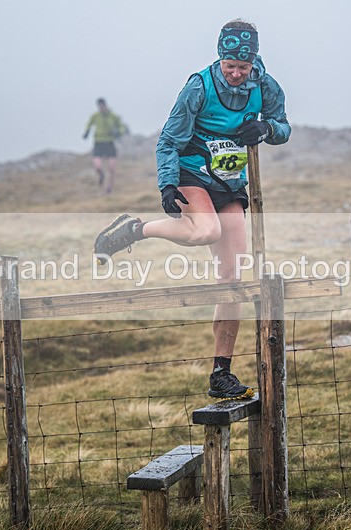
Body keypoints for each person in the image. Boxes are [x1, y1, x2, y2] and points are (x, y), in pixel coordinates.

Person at [93, 19, 291, 399]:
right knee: (205, 231)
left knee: (232, 278)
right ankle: (135, 229)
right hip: (191, 171)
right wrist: (167, 183)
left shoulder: (265, 85)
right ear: (220, 58)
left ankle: (221, 373)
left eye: (242, 67)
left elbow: (283, 126)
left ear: (253, 62)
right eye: (230, 66)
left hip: (230, 184)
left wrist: (266, 130)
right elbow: (168, 139)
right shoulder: (199, 86)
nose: (235, 74)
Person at [83, 98, 128, 194]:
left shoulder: (113, 116)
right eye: (99, 106)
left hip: (109, 142)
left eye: (102, 106)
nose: (101, 108)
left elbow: (121, 125)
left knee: (112, 168)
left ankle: (109, 187)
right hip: (98, 142)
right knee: (98, 166)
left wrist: (119, 132)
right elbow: (89, 124)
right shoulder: (95, 116)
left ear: (105, 105)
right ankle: (101, 174)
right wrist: (86, 132)